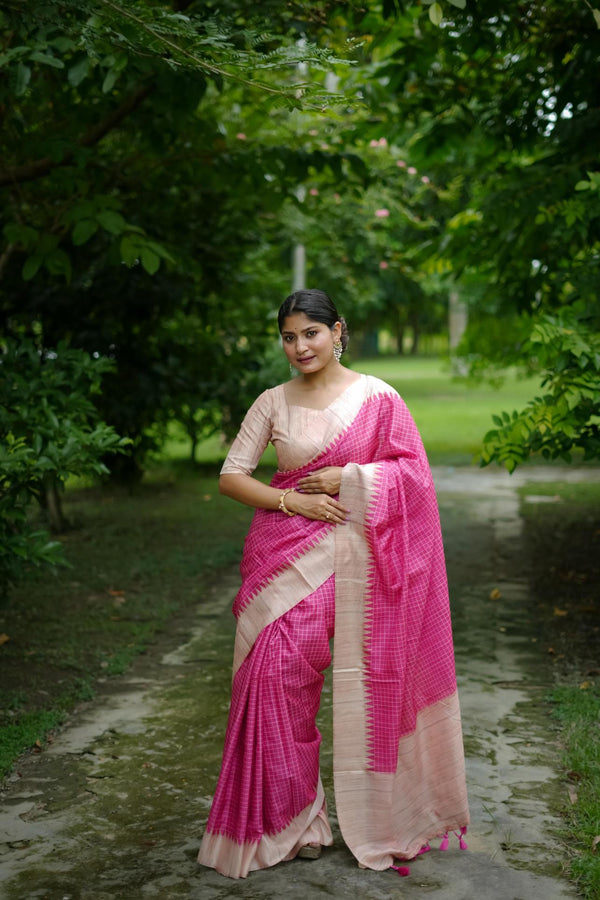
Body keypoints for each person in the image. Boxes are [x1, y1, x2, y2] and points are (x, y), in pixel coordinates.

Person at [197, 289, 469, 880]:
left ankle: (380, 812)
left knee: (338, 675)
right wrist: (292, 500)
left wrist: (348, 475)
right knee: (272, 676)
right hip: (280, 554)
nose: (300, 347)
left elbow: (413, 478)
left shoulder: (378, 398)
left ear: (338, 331)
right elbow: (230, 477)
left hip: (353, 562)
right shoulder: (272, 401)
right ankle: (293, 818)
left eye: (311, 334)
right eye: (289, 337)